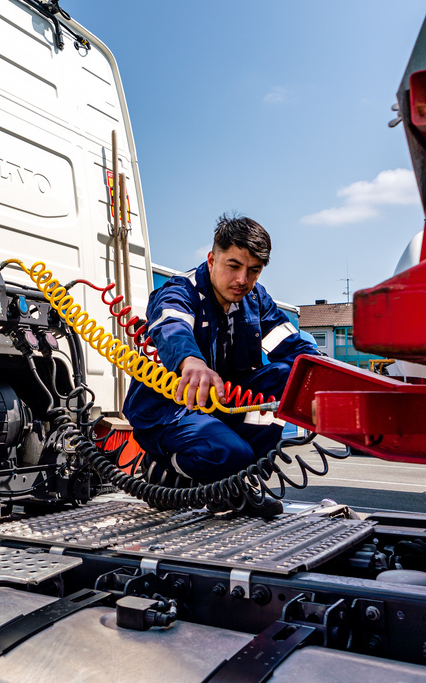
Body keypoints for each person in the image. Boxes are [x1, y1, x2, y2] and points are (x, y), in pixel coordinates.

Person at [122, 213, 317, 513]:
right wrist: (191, 362)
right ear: (212, 259)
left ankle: (236, 485)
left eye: (254, 271)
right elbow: (170, 324)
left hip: (220, 406)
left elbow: (293, 346)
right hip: (169, 412)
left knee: (288, 376)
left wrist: (326, 380)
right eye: (234, 266)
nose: (243, 281)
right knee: (231, 454)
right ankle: (164, 470)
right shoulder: (180, 291)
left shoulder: (255, 300)